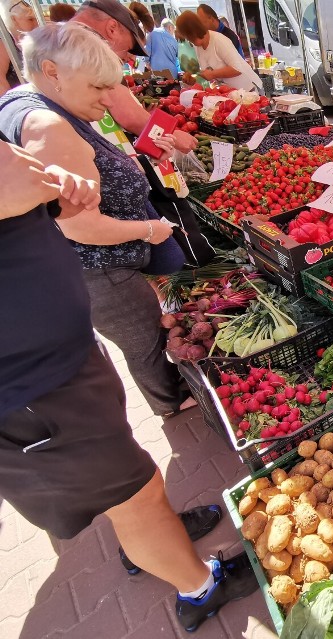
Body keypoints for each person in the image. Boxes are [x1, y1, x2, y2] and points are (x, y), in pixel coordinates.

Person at [0, 132, 257, 634]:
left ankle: (153, 537)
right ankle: (199, 588)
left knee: (129, 482)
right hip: (30, 388)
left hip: (57, 363)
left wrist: (51, 195)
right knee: (131, 492)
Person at [0, 21, 193, 418]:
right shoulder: (48, 126)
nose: (109, 99)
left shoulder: (23, 100)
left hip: (83, 267)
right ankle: (171, 403)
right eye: (98, 87)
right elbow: (80, 225)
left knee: (143, 336)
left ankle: (167, 398)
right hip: (100, 269)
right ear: (52, 71)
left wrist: (140, 161)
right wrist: (152, 230)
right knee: (143, 340)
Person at [68, 0, 197, 152]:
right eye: (127, 49)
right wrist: (172, 134)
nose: (129, 59)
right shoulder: (81, 53)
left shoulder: (65, 46)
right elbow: (127, 115)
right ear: (112, 29)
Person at [175, 10, 261, 92]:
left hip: (247, 91)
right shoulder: (197, 46)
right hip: (229, 93)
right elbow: (209, 68)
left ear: (194, 32)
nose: (189, 40)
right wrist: (193, 78)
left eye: (189, 37)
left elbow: (238, 69)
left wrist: (213, 74)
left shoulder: (219, 41)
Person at [0, 0, 38, 96]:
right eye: (30, 19)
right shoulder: (5, 41)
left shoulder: (33, 40)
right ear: (13, 19)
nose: (37, 24)